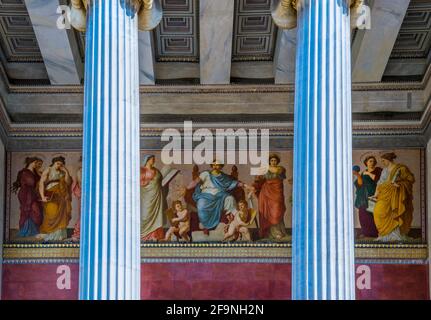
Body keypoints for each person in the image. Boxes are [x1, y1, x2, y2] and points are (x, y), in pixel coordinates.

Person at [191, 160, 248, 233]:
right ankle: (206, 224)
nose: (215, 166)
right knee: (201, 204)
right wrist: (186, 188)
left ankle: (234, 221)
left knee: (230, 199)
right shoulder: (206, 174)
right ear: (212, 165)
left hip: (220, 194)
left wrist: (246, 185)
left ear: (221, 166)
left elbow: (233, 183)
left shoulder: (223, 177)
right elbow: (195, 182)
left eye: (217, 165)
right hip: (206, 195)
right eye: (214, 165)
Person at [371, 152, 415, 242]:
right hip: (384, 193)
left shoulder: (401, 168)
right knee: (378, 211)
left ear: (388, 159)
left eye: (383, 161)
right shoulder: (384, 170)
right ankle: (384, 235)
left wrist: (399, 184)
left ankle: (395, 235)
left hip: (396, 194)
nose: (382, 163)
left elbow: (410, 179)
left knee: (394, 213)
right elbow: (380, 183)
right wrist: (376, 194)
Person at [253, 154, 288, 241]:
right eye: (271, 160)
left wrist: (265, 167)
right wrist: (254, 186)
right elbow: (259, 181)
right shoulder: (265, 170)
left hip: (277, 194)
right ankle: (272, 233)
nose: (273, 162)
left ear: (277, 161)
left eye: (275, 160)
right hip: (266, 193)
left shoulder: (281, 169)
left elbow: (277, 171)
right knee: (267, 213)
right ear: (269, 161)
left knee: (276, 212)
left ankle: (279, 231)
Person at [37, 156, 72, 241]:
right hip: (50, 194)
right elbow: (41, 183)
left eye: (61, 164)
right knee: (51, 213)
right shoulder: (48, 170)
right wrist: (42, 196)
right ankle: (48, 234)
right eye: (58, 163)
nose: (59, 166)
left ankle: (58, 235)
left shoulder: (62, 172)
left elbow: (68, 183)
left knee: (61, 214)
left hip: (61, 196)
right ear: (54, 163)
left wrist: (66, 172)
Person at [12, 157, 44, 237]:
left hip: (33, 194)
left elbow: (42, 182)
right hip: (26, 194)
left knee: (37, 212)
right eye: (37, 163)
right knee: (28, 211)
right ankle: (26, 231)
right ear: (32, 162)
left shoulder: (34, 172)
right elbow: (32, 182)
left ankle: (34, 231)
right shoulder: (25, 172)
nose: (38, 165)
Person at [352, 155, 382, 238]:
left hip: (374, 195)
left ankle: (375, 233)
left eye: (373, 161)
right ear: (366, 163)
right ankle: (366, 233)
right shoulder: (363, 172)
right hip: (363, 197)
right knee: (363, 214)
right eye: (370, 161)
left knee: (373, 214)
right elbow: (360, 184)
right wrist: (358, 175)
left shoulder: (378, 170)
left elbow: (379, 181)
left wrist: (368, 173)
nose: (372, 163)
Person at [140, 155, 167, 241]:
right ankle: (145, 235)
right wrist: (150, 183)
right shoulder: (142, 171)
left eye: (154, 159)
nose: (154, 161)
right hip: (147, 196)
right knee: (146, 214)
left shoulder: (157, 170)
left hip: (157, 196)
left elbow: (161, 181)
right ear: (147, 160)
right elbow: (140, 183)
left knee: (158, 214)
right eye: (152, 159)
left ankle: (155, 235)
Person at [71, 156, 82, 242]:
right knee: (83, 215)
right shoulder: (80, 171)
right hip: (84, 196)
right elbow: (80, 183)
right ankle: (77, 233)